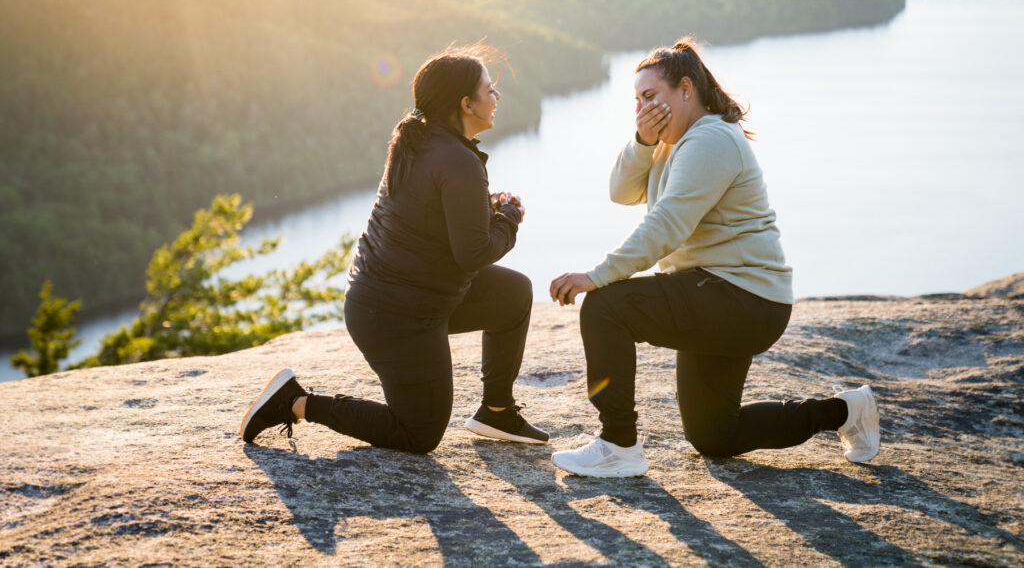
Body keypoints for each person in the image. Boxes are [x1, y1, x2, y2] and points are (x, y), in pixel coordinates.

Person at [548, 38, 880, 477]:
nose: (642, 108)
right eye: (637, 101)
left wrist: (599, 275)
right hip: (727, 298)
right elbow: (621, 192)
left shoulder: (711, 139)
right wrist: (643, 141)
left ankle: (618, 445)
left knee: (606, 306)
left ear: (686, 89)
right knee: (715, 435)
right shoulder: (670, 143)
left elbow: (668, 223)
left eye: (651, 97)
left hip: (740, 298)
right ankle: (846, 412)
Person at [241, 44, 547, 452]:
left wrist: (485, 210)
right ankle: (295, 402)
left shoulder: (421, 141)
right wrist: (509, 216)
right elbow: (472, 253)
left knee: (513, 293)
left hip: (402, 297)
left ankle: (496, 411)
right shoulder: (456, 159)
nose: (497, 97)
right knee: (419, 434)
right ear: (466, 104)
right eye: (489, 89)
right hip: (397, 317)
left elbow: (429, 216)